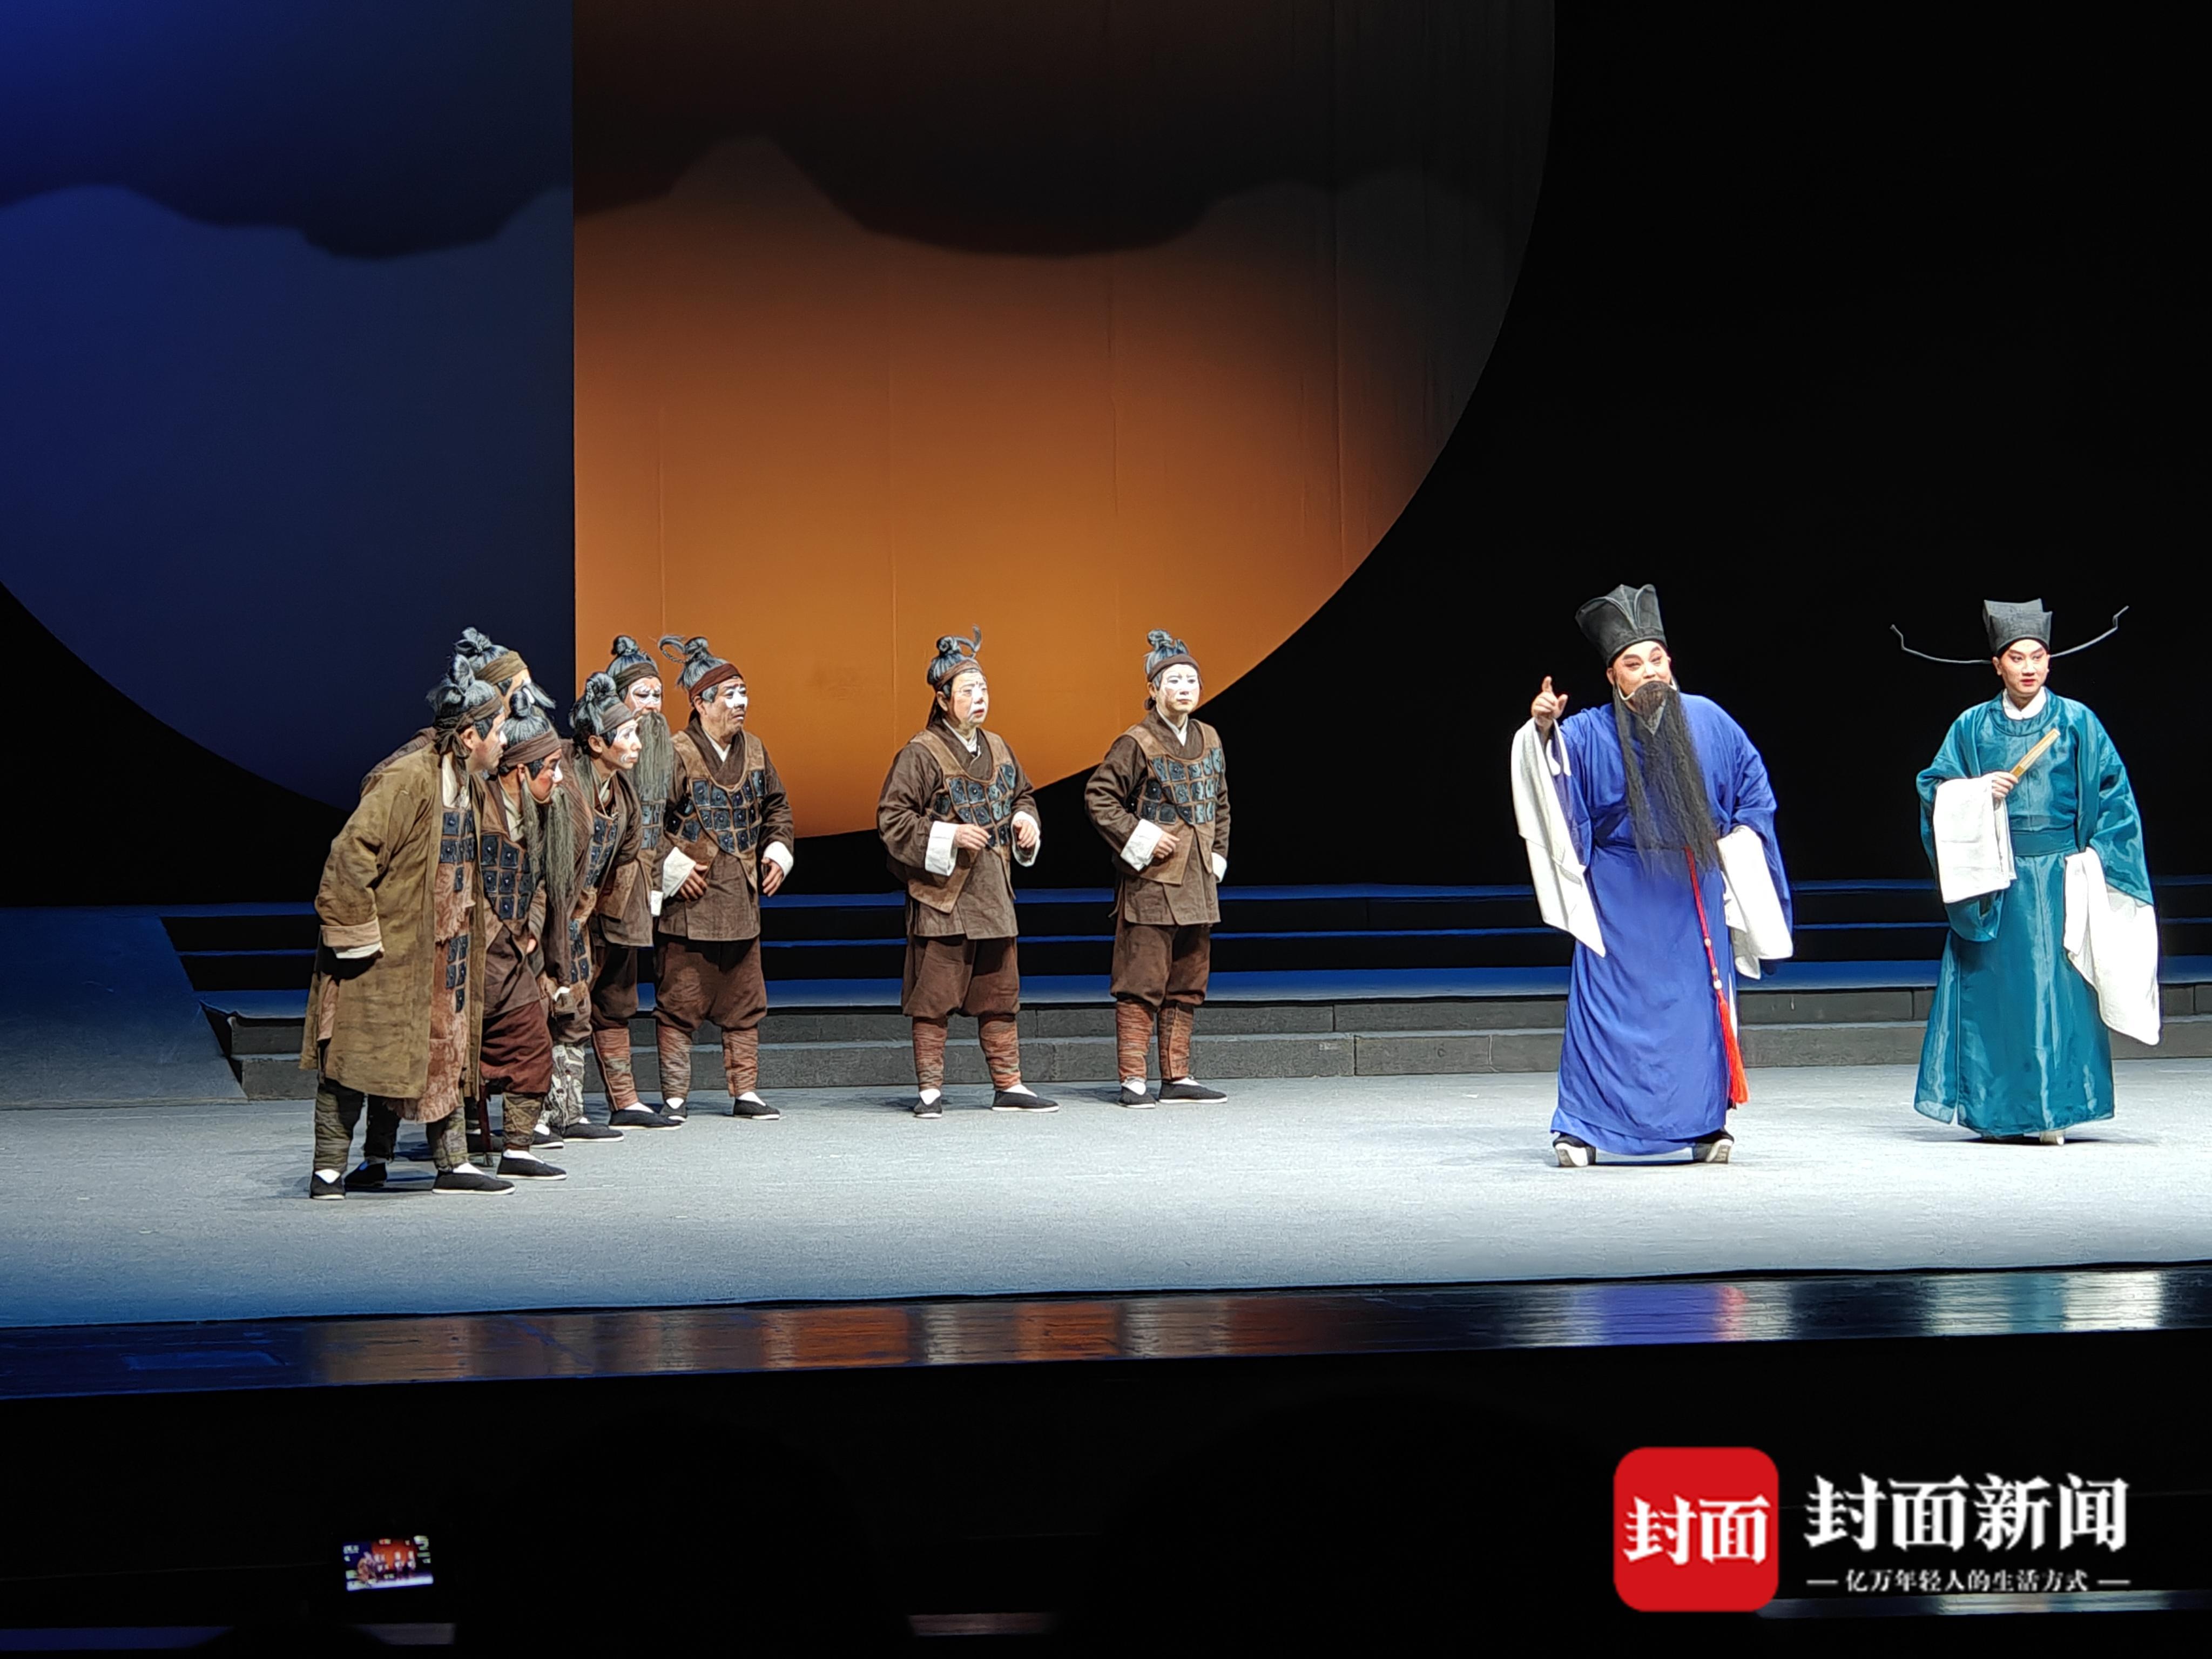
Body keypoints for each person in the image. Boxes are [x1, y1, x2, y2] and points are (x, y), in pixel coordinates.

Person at [1512, 584, 1792, 1167]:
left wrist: (1741, 841)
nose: (1649, 673)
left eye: (1656, 659)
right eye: (1633, 664)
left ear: (1671, 662)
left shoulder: (1710, 721)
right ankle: (1583, 1127)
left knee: (1695, 1010)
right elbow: (1551, 777)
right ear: (1613, 677)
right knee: (1606, 1008)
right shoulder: (1588, 732)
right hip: (1619, 891)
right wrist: (1542, 731)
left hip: (1693, 888)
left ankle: (1703, 1124)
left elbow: (1754, 792)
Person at [1906, 599, 2156, 1142]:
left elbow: (2115, 798)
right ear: (1997, 665)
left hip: (2060, 878)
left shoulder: (2077, 722)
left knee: (2054, 994)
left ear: (2049, 662)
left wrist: (2094, 861)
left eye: (2037, 657)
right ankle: (1996, 1113)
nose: (2028, 668)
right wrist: (1976, 792)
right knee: (1995, 995)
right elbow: (1933, 789)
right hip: (1995, 878)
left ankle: (2052, 1112)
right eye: (2016, 658)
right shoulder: (1972, 726)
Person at [302, 655, 516, 1197]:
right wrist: (360, 938)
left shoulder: (468, 783)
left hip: (445, 953)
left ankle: (453, 1162)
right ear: (469, 736)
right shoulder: (407, 779)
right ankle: (329, 1169)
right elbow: (350, 855)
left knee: (445, 1053)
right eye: (497, 730)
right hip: (386, 955)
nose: (504, 741)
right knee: (356, 1057)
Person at [876, 629, 1053, 1117]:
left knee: (999, 994)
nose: (980, 698)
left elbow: (1022, 795)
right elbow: (893, 819)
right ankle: (930, 1091)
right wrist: (949, 835)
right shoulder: (921, 753)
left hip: (993, 892)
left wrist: (1026, 821)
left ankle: (1009, 1084)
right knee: (934, 996)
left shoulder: (998, 746)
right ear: (942, 699)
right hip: (944, 897)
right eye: (969, 691)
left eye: (984, 689)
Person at [1083, 630, 1233, 1106]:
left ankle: (1177, 1076)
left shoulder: (1210, 737)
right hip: (1152, 881)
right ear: (1153, 689)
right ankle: (1133, 1079)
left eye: (1192, 680)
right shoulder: (1138, 741)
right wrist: (1143, 836)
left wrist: (1216, 856)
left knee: (1188, 979)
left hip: (1198, 881)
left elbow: (1221, 804)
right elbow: (1100, 797)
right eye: (1174, 681)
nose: (1185, 688)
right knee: (1142, 978)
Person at [655, 635, 797, 1120]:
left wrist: (777, 851)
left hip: (740, 898)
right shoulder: (676, 752)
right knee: (680, 999)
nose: (741, 703)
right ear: (701, 702)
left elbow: (777, 807)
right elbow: (646, 822)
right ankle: (675, 1096)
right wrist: (673, 869)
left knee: (744, 999)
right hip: (690, 902)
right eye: (730, 694)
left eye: (744, 692)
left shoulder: (754, 750)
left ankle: (745, 1092)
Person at [539, 671, 644, 1144]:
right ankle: (533, 1115)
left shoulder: (622, 793)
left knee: (575, 1008)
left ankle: (569, 1111)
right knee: (541, 1008)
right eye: (627, 735)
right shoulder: (566, 783)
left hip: (578, 920)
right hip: (543, 917)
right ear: (597, 743)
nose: (636, 743)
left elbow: (625, 856)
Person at [474, 689, 569, 1181]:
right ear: (518, 771)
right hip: (474, 953)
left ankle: (518, 1148)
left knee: (531, 1043)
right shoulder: (479, 809)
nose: (558, 776)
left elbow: (542, 883)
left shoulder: (539, 816)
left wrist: (531, 929)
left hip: (513, 956)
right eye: (550, 767)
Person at [588, 636, 678, 1129]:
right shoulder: (596, 763)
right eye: (641, 695)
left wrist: (674, 865)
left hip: (637, 896)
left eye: (657, 695)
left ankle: (624, 1100)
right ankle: (552, 1109)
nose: (652, 706)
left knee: (618, 997)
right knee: (573, 994)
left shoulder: (663, 754)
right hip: (595, 897)